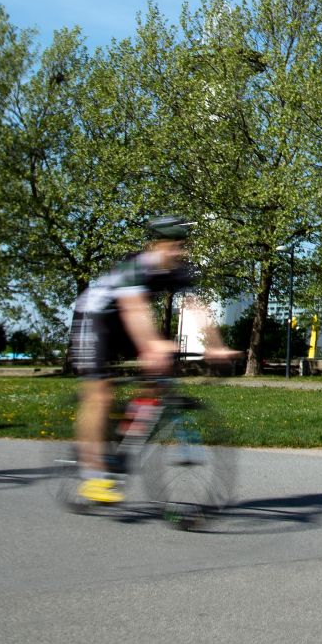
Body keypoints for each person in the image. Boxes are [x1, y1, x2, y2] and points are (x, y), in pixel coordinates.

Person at [69, 215, 235, 506]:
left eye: (182, 246)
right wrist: (152, 345)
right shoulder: (135, 267)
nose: (178, 252)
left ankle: (124, 434)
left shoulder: (180, 269)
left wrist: (217, 346)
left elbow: (197, 307)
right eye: (172, 246)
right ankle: (92, 474)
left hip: (128, 321)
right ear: (154, 245)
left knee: (158, 377)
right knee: (100, 393)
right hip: (97, 320)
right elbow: (134, 311)